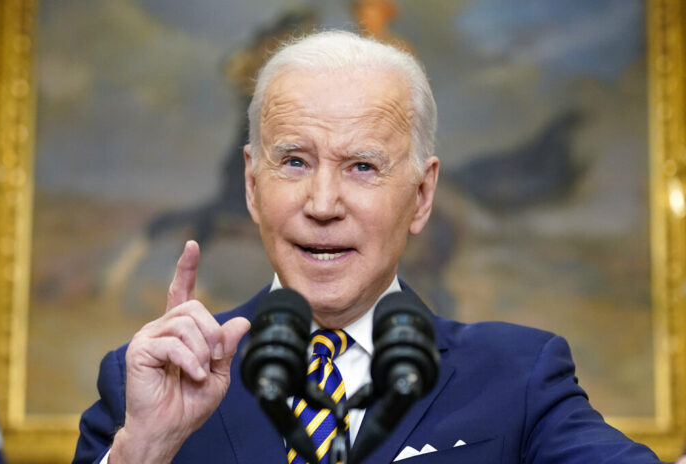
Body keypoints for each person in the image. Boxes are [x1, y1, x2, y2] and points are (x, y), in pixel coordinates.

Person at [74, 30, 664, 464]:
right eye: (295, 162)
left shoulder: (519, 378)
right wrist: (143, 450)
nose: (324, 203)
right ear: (253, 186)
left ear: (423, 195)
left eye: (361, 166)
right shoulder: (146, 382)